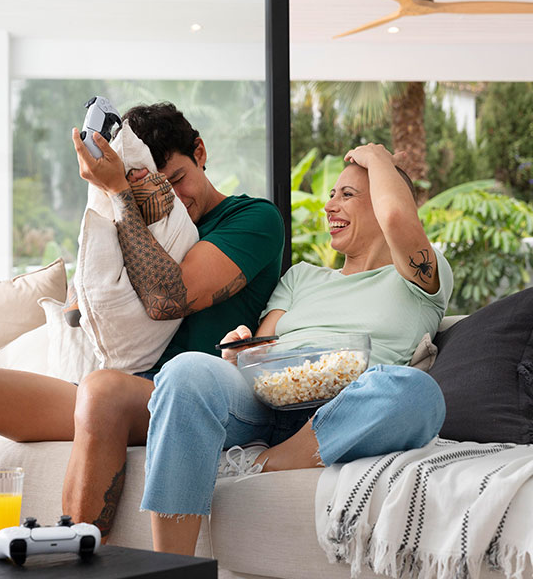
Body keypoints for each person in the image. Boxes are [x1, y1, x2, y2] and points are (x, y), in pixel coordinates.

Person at [0, 103, 285, 540]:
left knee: (102, 389)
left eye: (175, 180)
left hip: (179, 397)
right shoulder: (134, 220)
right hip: (119, 390)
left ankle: (71, 561)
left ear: (199, 151)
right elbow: (85, 307)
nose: (170, 200)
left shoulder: (254, 219)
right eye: (151, 189)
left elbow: (166, 300)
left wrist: (121, 193)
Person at [139, 143, 453, 555]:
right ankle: (169, 569)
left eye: (347, 195)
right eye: (331, 195)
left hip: (346, 411)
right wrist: (241, 349)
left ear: (381, 199)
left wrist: (379, 157)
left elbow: (398, 218)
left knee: (417, 393)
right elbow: (265, 344)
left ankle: (264, 463)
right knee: (184, 372)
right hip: (265, 402)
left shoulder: (420, 277)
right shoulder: (302, 276)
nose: (329, 206)